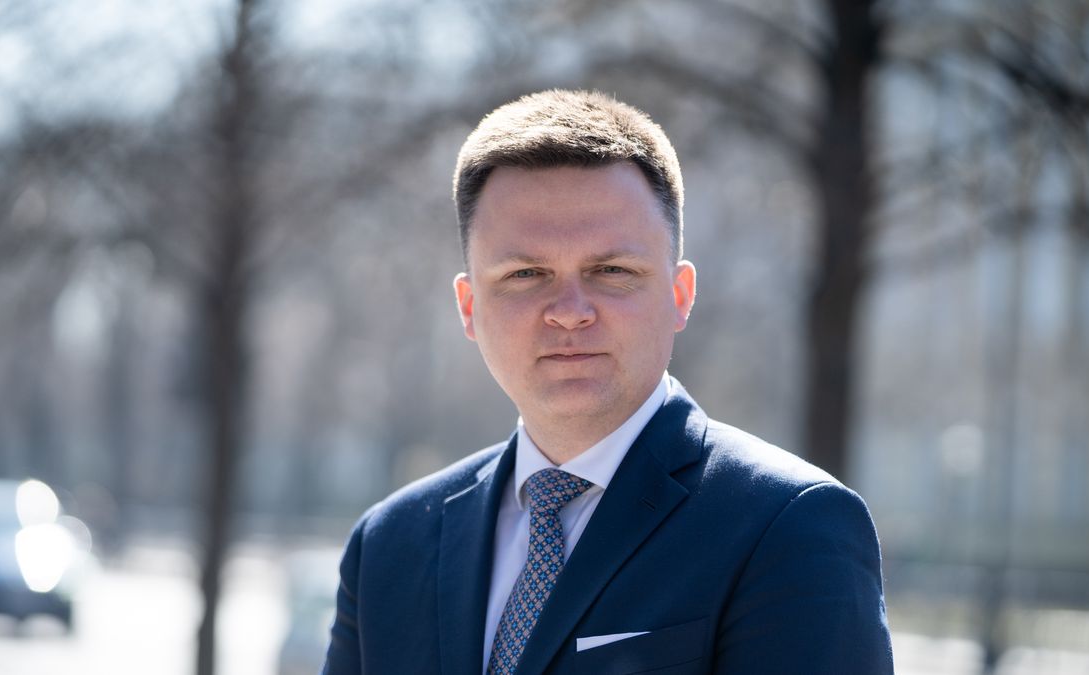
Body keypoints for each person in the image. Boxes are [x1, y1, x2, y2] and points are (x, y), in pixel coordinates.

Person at [322, 90, 893, 674]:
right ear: (469, 307)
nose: (570, 311)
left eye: (611, 270)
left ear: (680, 295)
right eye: (526, 273)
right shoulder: (388, 546)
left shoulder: (789, 525)